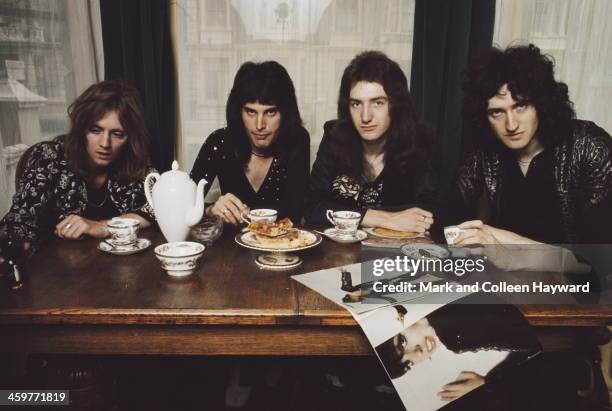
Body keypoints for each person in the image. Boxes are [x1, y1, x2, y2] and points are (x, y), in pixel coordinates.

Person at [446, 44, 612, 246]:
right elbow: (449, 216)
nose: (511, 125)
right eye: (497, 112)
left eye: (521, 106)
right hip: (505, 275)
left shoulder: (590, 147)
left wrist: (507, 242)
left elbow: (598, 259)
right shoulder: (485, 150)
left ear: (540, 103)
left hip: (570, 277)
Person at [0, 80, 155, 257]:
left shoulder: (131, 161)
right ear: (81, 129)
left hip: (118, 270)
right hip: (56, 275)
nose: (105, 143)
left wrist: (102, 226)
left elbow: (156, 208)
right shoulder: (49, 157)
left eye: (117, 134)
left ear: (129, 138)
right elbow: (18, 221)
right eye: (95, 130)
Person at [304, 51, 438, 234]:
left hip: (393, 256)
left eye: (378, 103)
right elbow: (312, 207)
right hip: (340, 253)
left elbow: (429, 213)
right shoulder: (335, 137)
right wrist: (385, 218)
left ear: (396, 105)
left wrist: (348, 214)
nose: (365, 117)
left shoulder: (419, 142)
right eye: (356, 104)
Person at [190, 61, 310, 225]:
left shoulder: (298, 140)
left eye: (270, 112)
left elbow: (295, 214)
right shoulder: (219, 142)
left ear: (286, 113)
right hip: (230, 248)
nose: (260, 125)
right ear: (238, 111)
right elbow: (183, 206)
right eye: (251, 111)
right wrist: (210, 210)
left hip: (280, 247)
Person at [376, 296, 541, 402]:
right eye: (409, 364)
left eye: (402, 342)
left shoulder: (453, 334)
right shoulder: (435, 305)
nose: (419, 352)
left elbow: (535, 345)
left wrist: (488, 383)